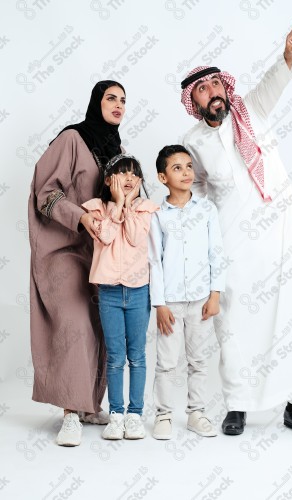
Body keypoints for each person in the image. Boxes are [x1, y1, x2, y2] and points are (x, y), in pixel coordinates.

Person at [180, 22, 292, 437]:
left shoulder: (252, 111)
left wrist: (287, 56)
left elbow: (273, 81)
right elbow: (191, 192)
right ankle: (238, 406)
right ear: (192, 102)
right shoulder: (192, 142)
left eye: (217, 84)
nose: (213, 92)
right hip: (236, 245)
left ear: (226, 89)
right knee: (237, 325)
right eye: (203, 89)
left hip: (284, 237)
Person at [28, 80, 127, 446]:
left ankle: (88, 405)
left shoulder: (116, 150)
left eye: (123, 101)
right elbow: (45, 193)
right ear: (95, 102)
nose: (118, 105)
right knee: (75, 323)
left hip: (101, 254)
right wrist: (81, 218)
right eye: (111, 98)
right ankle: (69, 412)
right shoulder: (72, 139)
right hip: (64, 249)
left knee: (101, 325)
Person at [149, 145, 225, 440]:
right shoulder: (158, 215)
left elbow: (216, 253)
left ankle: (197, 413)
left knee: (199, 361)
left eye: (188, 166)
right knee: (166, 363)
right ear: (162, 177)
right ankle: (164, 415)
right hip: (170, 301)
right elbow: (154, 261)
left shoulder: (206, 209)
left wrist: (215, 293)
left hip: (201, 300)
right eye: (176, 167)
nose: (185, 172)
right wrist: (159, 304)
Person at [82, 153, 158, 440]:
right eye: (121, 173)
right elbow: (106, 236)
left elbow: (137, 238)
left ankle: (135, 414)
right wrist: (117, 205)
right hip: (110, 293)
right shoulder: (97, 209)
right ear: (108, 181)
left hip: (139, 292)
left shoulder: (145, 209)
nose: (128, 179)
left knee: (137, 356)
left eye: (133, 174)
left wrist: (128, 205)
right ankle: (116, 414)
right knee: (115, 357)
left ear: (140, 181)